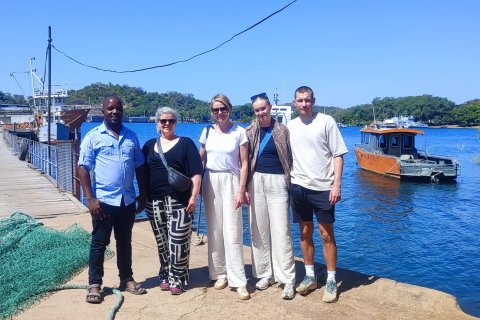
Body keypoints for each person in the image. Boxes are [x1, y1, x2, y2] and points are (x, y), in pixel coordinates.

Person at [78, 95, 147, 304]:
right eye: (110, 109)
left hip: (126, 201)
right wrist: (90, 199)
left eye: (118, 109)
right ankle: (94, 284)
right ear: (103, 111)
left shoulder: (131, 137)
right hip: (103, 202)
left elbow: (140, 167)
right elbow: (83, 168)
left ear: (122, 111)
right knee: (99, 243)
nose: (114, 112)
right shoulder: (93, 137)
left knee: (125, 242)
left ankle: (126, 278)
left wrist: (142, 194)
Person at [287, 86, 348, 303]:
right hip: (299, 187)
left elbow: (338, 155)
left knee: (326, 234)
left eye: (307, 100)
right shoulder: (290, 126)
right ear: (294, 103)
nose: (304, 104)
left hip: (323, 187)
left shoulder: (326, 121)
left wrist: (336, 185)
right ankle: (310, 276)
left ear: (313, 101)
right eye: (300, 101)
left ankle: (331, 279)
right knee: (304, 232)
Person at [142, 107, 203, 295]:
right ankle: (165, 275)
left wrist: (193, 197)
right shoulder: (149, 145)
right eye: (163, 121)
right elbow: (142, 173)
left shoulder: (185, 144)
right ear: (157, 124)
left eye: (171, 120)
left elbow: (196, 172)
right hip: (154, 202)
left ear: (176, 123)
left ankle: (179, 277)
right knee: (162, 244)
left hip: (179, 201)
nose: (167, 124)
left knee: (178, 242)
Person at [198, 93, 250, 300]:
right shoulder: (206, 132)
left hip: (231, 181)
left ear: (229, 109)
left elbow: (244, 163)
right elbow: (199, 159)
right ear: (212, 112)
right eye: (215, 110)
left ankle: (238, 279)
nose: (219, 113)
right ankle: (220, 273)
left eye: (223, 109)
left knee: (232, 231)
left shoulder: (239, 132)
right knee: (214, 229)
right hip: (210, 181)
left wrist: (241, 188)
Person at [245, 92, 296, 300]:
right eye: (257, 110)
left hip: (278, 181)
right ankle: (265, 273)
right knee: (258, 230)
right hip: (255, 180)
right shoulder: (250, 132)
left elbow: (292, 157)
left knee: (281, 231)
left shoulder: (283, 130)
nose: (260, 113)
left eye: (263, 109)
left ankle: (287, 278)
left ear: (270, 108)